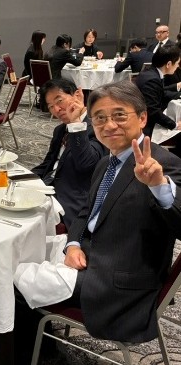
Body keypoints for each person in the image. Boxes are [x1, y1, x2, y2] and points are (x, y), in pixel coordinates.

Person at [16, 81, 181, 363]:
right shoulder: (107, 162)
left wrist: (159, 187)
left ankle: (37, 355)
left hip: (118, 281)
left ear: (143, 118)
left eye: (119, 115)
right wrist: (73, 244)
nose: (109, 125)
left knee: (15, 280)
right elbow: (85, 213)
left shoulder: (163, 163)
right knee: (20, 253)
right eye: (100, 118)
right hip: (88, 254)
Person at [31, 78, 107, 230]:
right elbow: (48, 164)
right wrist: (22, 178)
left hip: (72, 201)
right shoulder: (60, 130)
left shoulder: (99, 127)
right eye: (51, 106)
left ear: (77, 95)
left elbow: (87, 165)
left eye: (59, 101)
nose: (56, 109)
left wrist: (76, 124)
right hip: (48, 188)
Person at [134, 45, 181, 136]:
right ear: (168, 64)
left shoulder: (151, 72)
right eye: (177, 63)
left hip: (147, 116)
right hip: (144, 124)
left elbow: (161, 92)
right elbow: (153, 112)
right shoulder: (152, 79)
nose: (178, 66)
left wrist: (178, 95)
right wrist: (175, 125)